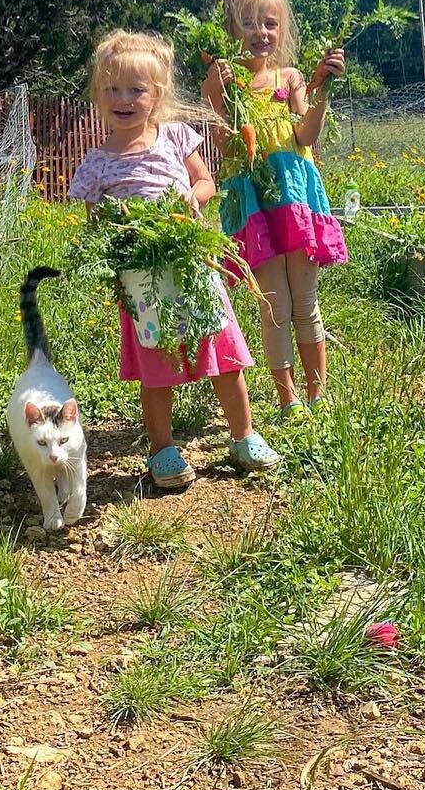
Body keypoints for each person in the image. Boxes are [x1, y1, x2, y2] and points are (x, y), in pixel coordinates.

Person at [68, 29, 281, 489]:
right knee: (156, 364)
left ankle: (243, 436)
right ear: (98, 95)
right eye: (111, 90)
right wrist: (115, 232)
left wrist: (191, 196)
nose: (123, 99)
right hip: (142, 277)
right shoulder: (98, 161)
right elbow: (94, 225)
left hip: (191, 264)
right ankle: (162, 450)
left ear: (158, 95)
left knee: (221, 352)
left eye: (136, 90)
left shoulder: (176, 137)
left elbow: (206, 183)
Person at [203, 0, 346, 419]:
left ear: (280, 30)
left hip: (296, 198)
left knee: (305, 301)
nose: (260, 32)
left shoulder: (291, 78)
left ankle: (317, 393)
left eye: (269, 23)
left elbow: (305, 134)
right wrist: (218, 93)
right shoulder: (224, 84)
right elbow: (225, 146)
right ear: (230, 30)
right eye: (248, 23)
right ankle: (288, 401)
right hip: (252, 202)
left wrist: (321, 90)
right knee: (275, 305)